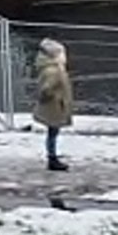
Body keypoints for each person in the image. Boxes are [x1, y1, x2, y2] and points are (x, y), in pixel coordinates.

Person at [33, 38, 73, 172]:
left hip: (53, 106)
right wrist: (56, 97)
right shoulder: (55, 71)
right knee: (53, 132)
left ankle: (52, 155)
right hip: (54, 107)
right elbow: (46, 89)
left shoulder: (48, 68)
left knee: (52, 132)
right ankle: (52, 157)